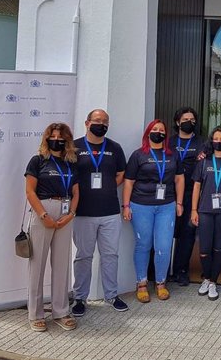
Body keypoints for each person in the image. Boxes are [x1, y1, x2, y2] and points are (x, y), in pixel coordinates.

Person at [72, 109, 128, 317]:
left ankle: (112, 295)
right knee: (84, 256)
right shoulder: (75, 147)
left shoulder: (115, 148)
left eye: (105, 121)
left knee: (110, 255)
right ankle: (79, 298)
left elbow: (121, 173)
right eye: (97, 120)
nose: (101, 124)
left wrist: (106, 187)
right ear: (87, 123)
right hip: (83, 212)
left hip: (110, 211)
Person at [24, 122, 80, 332]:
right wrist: (43, 214)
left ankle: (61, 311)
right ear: (47, 139)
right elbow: (30, 191)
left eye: (61, 137)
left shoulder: (70, 163)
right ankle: (35, 314)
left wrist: (71, 214)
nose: (57, 139)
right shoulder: (38, 161)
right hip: (43, 210)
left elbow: (76, 192)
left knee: (61, 265)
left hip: (66, 213)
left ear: (67, 141)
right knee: (37, 265)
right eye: (53, 136)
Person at [122, 120, 184, 303]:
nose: (158, 132)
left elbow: (179, 180)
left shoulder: (172, 155)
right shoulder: (138, 155)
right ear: (148, 133)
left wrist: (179, 203)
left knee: (163, 247)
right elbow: (129, 182)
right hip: (141, 205)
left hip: (166, 205)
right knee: (143, 245)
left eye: (162, 130)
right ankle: (142, 283)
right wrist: (126, 206)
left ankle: (160, 283)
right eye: (155, 129)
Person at [190, 127, 221, 301]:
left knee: (218, 247)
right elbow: (196, 185)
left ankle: (213, 282)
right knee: (204, 248)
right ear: (211, 141)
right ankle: (206, 278)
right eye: (216, 139)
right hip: (204, 210)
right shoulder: (204, 161)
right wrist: (194, 209)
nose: (219, 142)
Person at [170, 107, 205, 286]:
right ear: (177, 122)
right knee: (167, 232)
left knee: (187, 233)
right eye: (185, 119)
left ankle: (182, 270)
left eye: (192, 120)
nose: (189, 122)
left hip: (192, 194)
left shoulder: (201, 143)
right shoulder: (169, 142)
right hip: (169, 193)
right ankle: (163, 270)